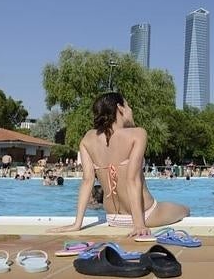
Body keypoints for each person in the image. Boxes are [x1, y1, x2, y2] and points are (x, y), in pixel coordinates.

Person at [48, 92, 190, 237]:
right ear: (120, 108)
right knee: (185, 210)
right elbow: (132, 180)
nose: (130, 110)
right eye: (128, 106)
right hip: (145, 215)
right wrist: (139, 225)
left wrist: (77, 224)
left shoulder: (88, 139)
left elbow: (87, 181)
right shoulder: (138, 134)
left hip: (113, 217)